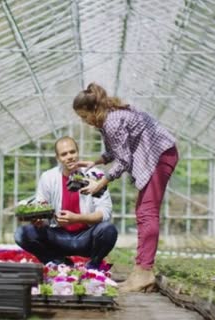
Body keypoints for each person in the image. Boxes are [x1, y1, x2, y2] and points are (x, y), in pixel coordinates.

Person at [72, 83, 178, 292]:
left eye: (84, 116)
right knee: (143, 212)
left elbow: (123, 160)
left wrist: (100, 183)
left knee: (147, 212)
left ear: (94, 109)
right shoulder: (108, 118)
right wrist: (96, 162)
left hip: (159, 156)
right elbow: (117, 150)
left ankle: (144, 272)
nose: (84, 122)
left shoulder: (111, 121)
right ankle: (141, 271)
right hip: (158, 156)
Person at [14, 136, 118, 270]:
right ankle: (57, 260)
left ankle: (94, 263)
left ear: (77, 152)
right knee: (21, 233)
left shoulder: (95, 176)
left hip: (86, 237)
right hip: (58, 236)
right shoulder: (48, 177)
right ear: (58, 158)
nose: (69, 157)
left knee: (108, 230)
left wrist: (77, 218)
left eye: (72, 152)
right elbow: (41, 205)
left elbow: (105, 213)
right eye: (64, 154)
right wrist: (38, 219)